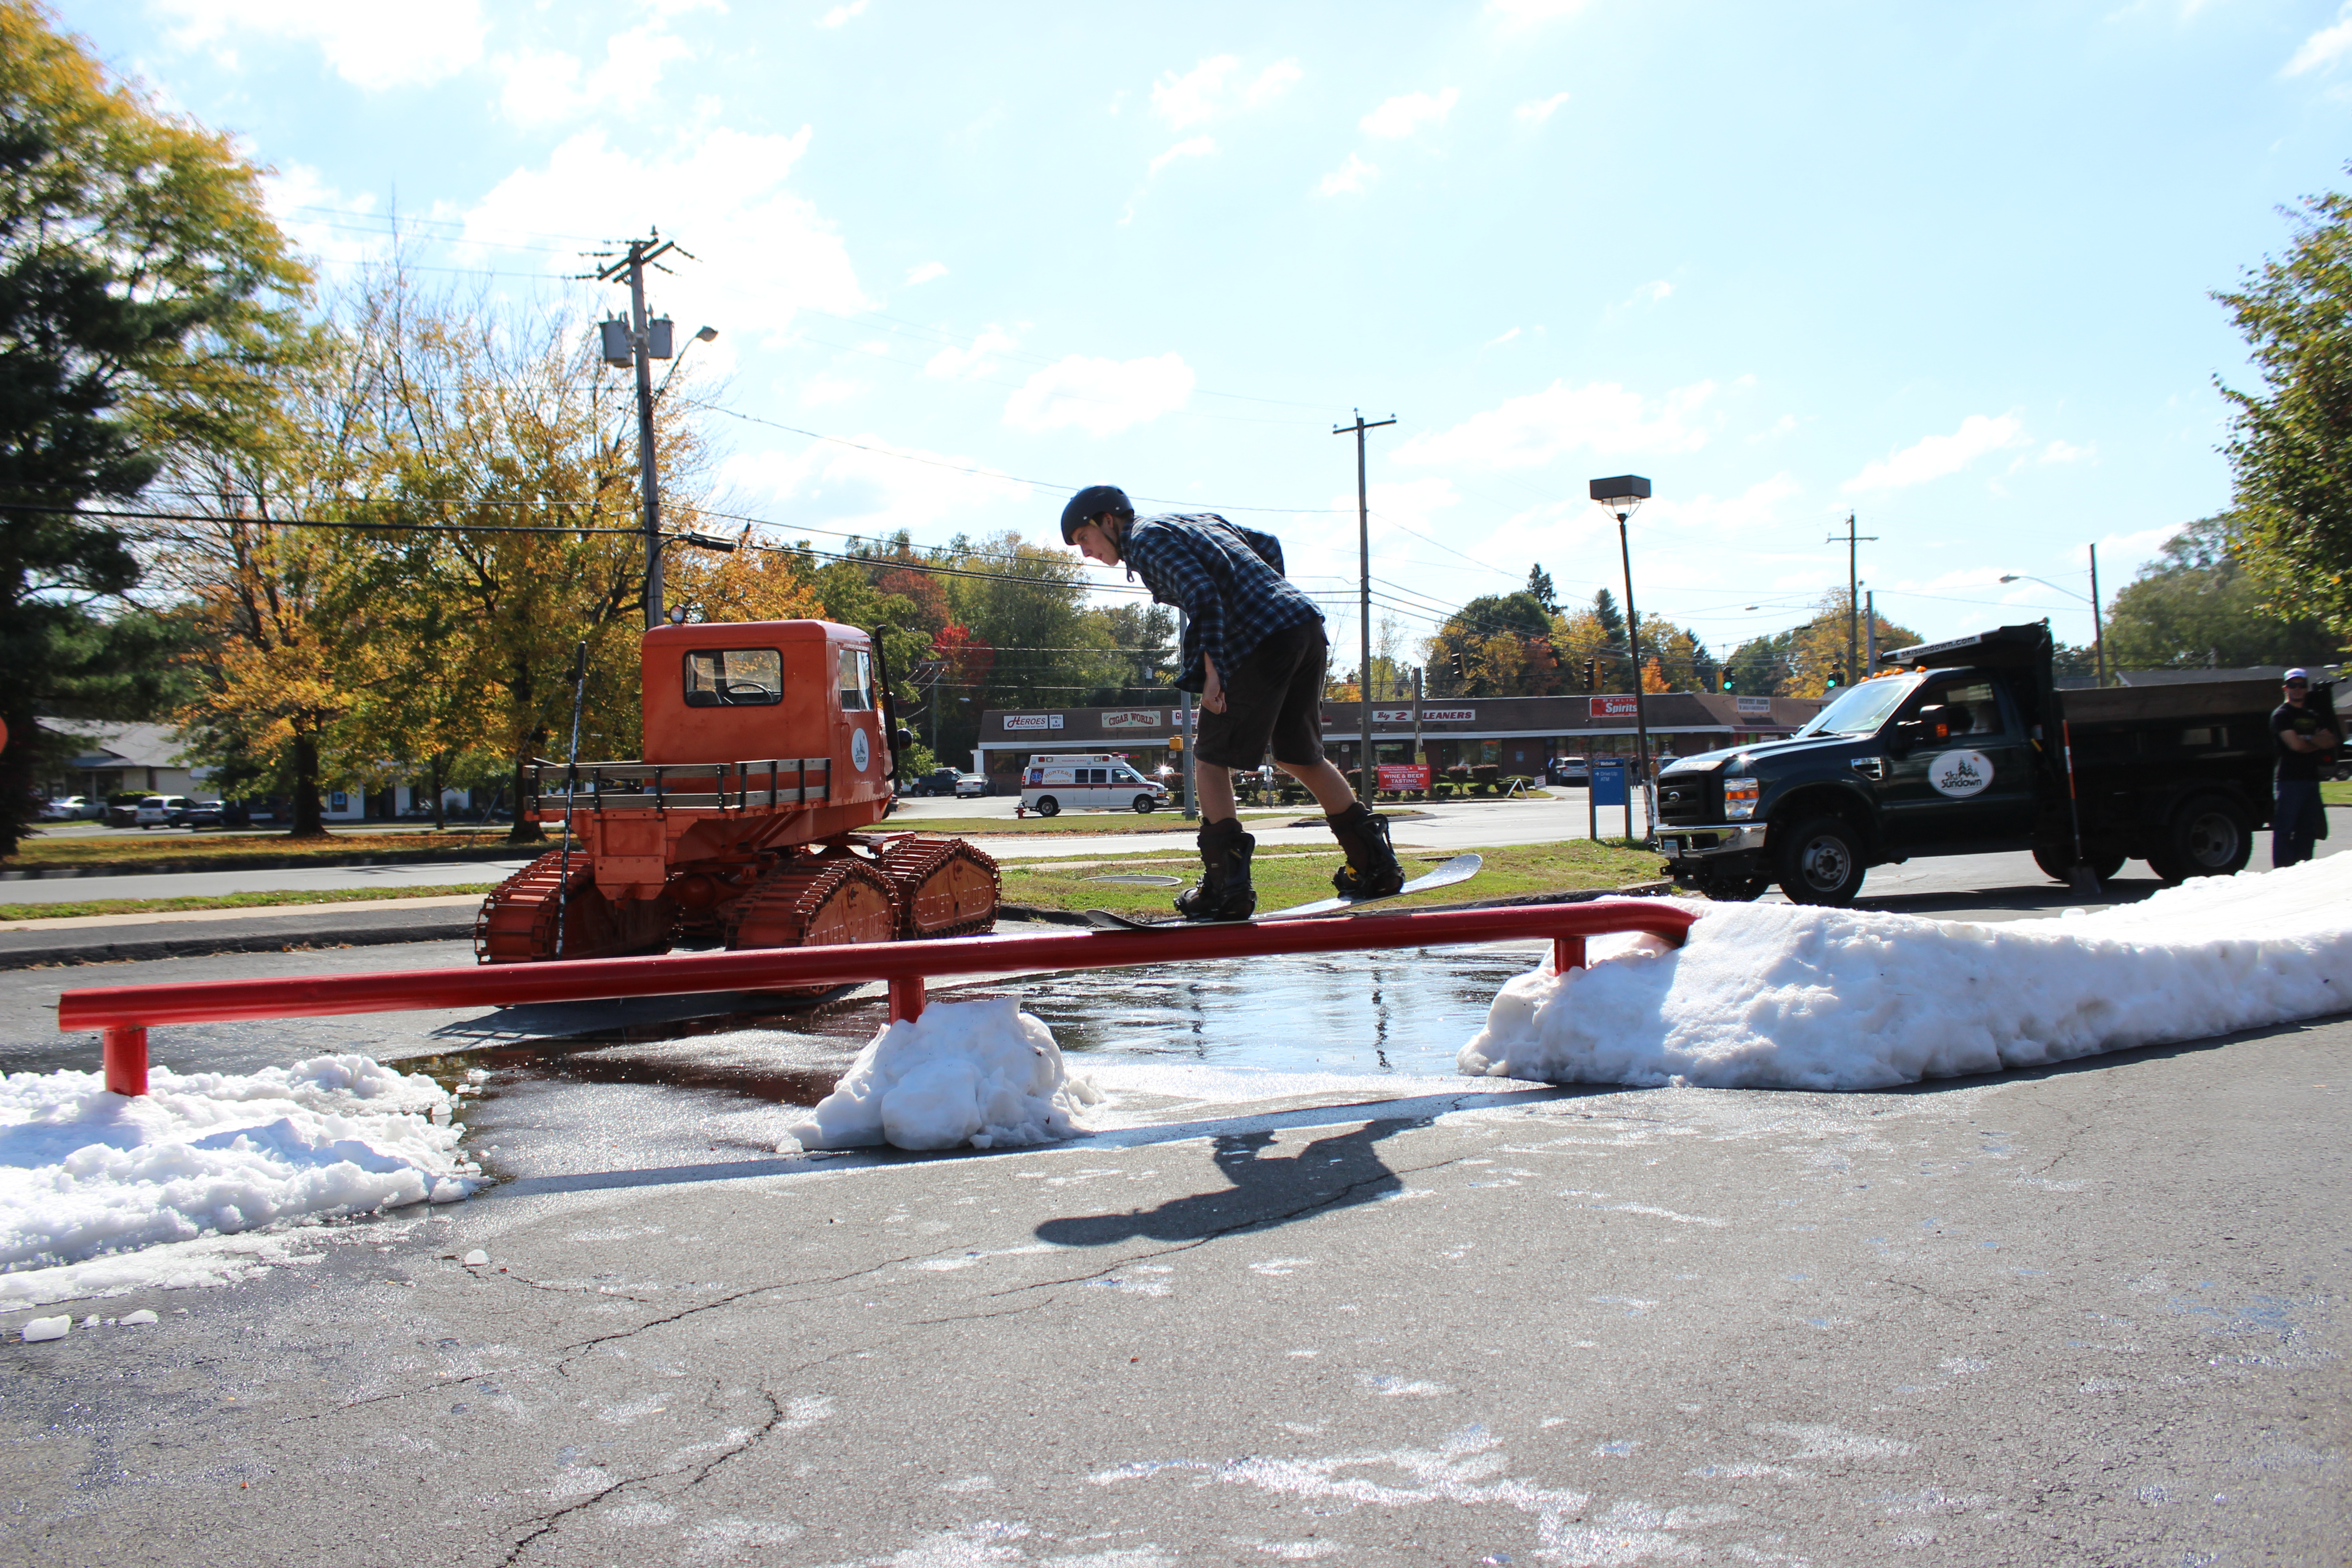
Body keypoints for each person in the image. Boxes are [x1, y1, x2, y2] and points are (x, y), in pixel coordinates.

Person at [1060, 484, 1405, 919]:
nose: (1086, 552)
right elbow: (1268, 545)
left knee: (1209, 758)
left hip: (1261, 642)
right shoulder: (1192, 521)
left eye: (1085, 538)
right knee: (1300, 755)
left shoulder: (1143, 541)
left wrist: (1213, 671)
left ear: (1108, 521)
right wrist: (1268, 598)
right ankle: (1376, 864)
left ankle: (1227, 889)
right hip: (1302, 625)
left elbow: (1202, 594)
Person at [2270, 666, 2337, 868]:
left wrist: (2306, 739)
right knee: (2285, 830)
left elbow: (2331, 741)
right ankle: (2283, 872)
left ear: (2306, 688)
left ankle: (2304, 869)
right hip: (2289, 780)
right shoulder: (2282, 715)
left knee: (2308, 830)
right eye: (2293, 685)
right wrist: (2315, 741)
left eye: (2301, 685)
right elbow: (2295, 746)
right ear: (2286, 688)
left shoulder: (2313, 715)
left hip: (2311, 780)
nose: (2297, 689)